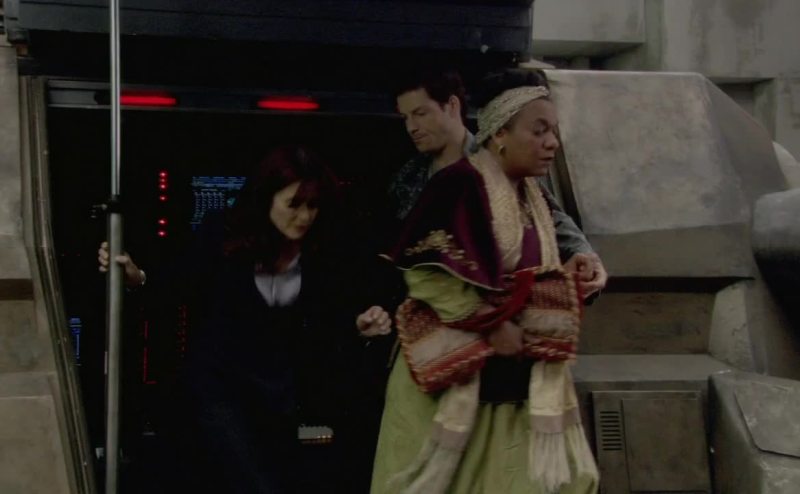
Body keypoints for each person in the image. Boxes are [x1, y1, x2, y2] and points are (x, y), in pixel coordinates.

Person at [370, 69, 600, 494]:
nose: (552, 142)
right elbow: (426, 272)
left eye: (553, 131)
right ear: (500, 134)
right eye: (539, 131)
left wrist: (581, 267)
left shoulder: (531, 193)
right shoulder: (458, 184)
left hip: (513, 380)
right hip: (456, 380)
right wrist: (491, 324)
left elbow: (553, 250)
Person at [99, 146, 363, 493]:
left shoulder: (320, 252)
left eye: (312, 206)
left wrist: (359, 323)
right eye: (293, 204)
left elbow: (328, 319)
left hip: (276, 395)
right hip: (219, 388)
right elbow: (180, 282)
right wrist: (137, 277)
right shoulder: (222, 233)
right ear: (267, 198)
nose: (304, 216)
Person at [356, 67, 606, 337]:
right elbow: (395, 254)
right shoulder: (408, 178)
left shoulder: (503, 158)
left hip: (503, 323)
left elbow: (553, 219)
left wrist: (587, 258)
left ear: (452, 106)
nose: (411, 127)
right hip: (434, 327)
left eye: (420, 113)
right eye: (406, 117)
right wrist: (377, 307)